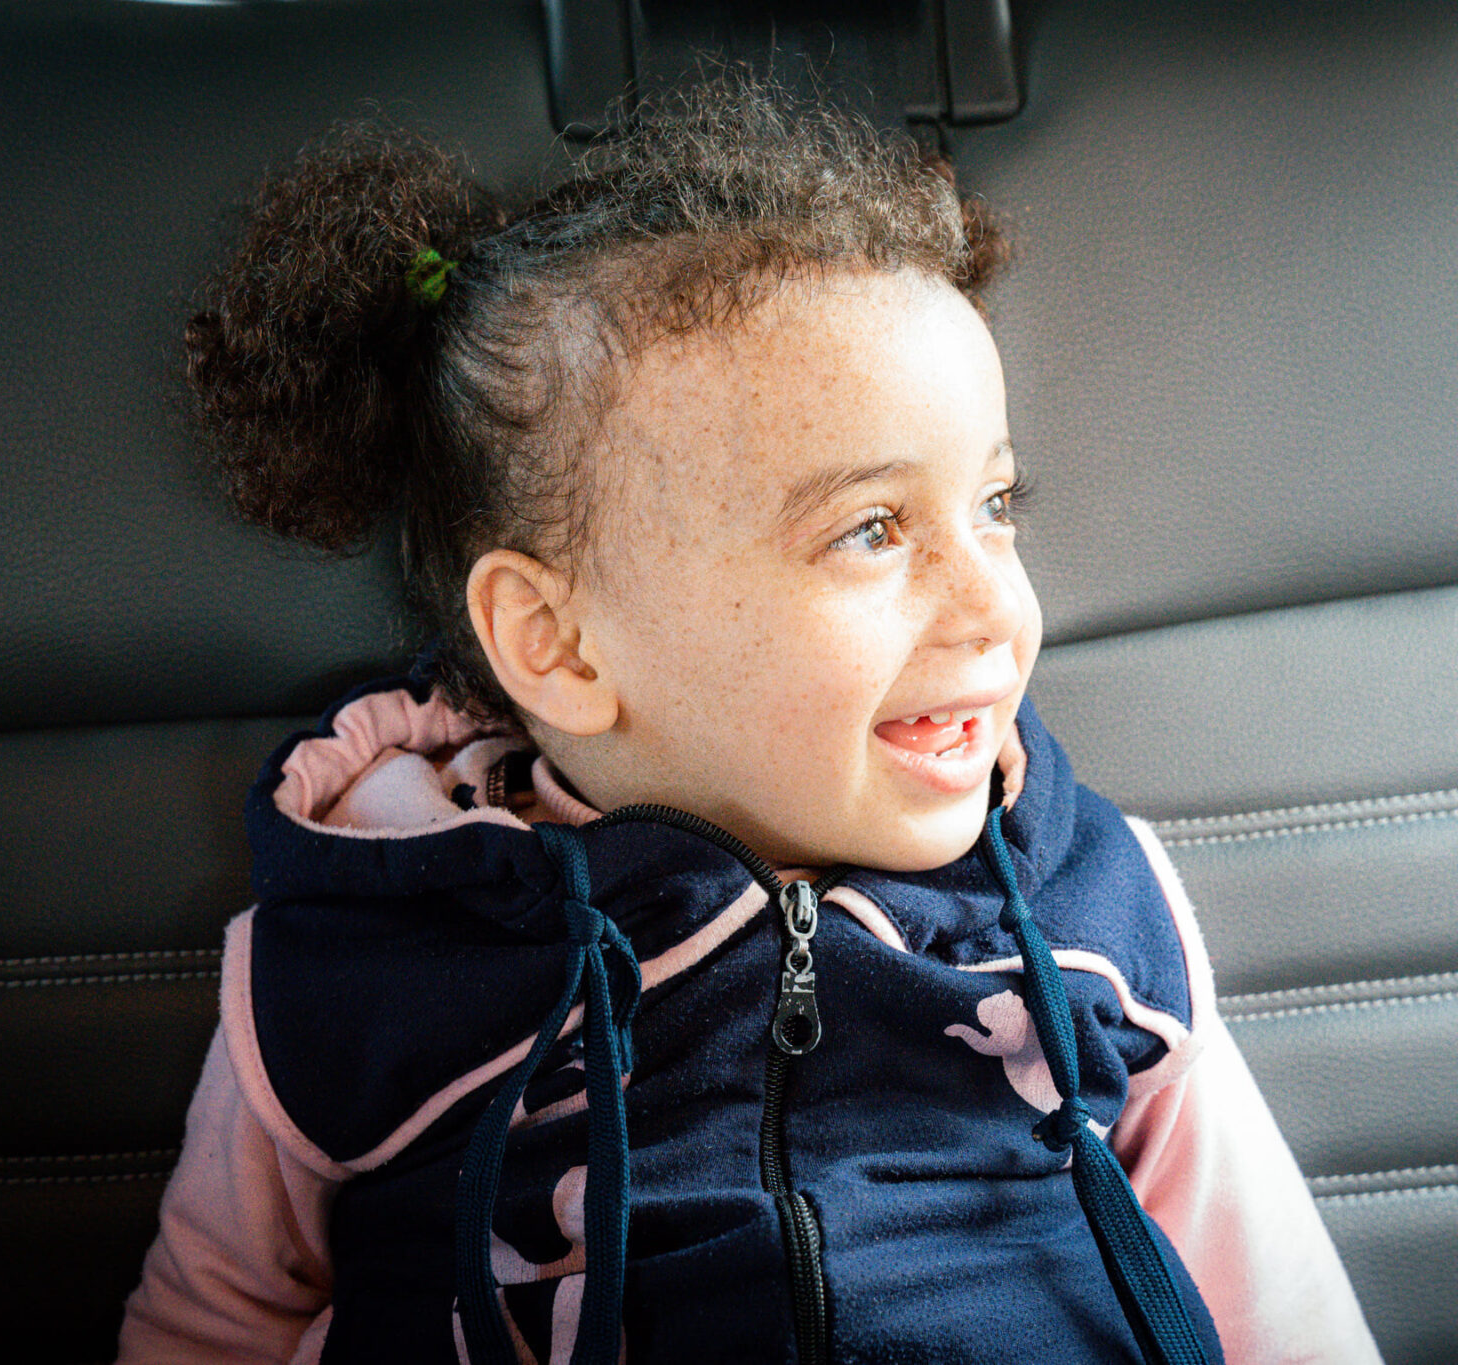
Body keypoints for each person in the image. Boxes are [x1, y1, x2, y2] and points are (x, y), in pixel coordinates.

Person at [118, 77, 1381, 1365]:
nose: (996, 605)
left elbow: (1276, 1313)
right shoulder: (363, 955)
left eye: (997, 508)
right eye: (871, 530)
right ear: (558, 645)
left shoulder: (1097, 913)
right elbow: (213, 1326)